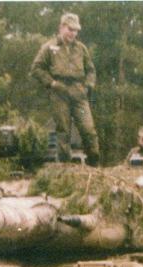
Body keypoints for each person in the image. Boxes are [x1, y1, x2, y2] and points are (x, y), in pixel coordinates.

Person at [31, 13, 100, 166]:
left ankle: (94, 166)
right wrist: (51, 83)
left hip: (78, 93)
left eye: (76, 30)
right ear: (62, 27)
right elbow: (36, 68)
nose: (73, 33)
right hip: (59, 93)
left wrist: (88, 86)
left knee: (88, 129)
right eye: (70, 29)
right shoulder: (49, 47)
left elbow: (91, 70)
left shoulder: (81, 48)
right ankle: (66, 167)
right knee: (63, 131)